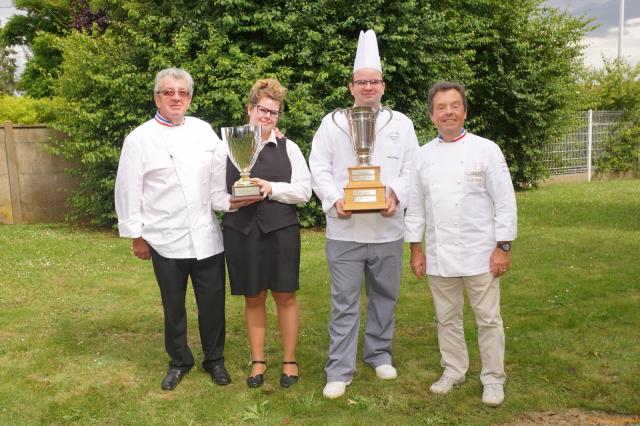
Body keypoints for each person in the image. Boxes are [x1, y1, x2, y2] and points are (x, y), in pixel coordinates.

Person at [309, 30, 419, 399]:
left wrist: (396, 195)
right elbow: (318, 166)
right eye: (361, 82)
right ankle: (339, 369)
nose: (367, 87)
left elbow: (412, 167)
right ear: (351, 86)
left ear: (383, 85)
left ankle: (378, 353)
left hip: (387, 228)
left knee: (385, 296)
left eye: (374, 81)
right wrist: (333, 198)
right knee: (344, 302)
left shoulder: (401, 124)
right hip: (344, 230)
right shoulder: (333, 122)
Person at [114, 67, 231, 390]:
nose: (176, 98)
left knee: (213, 305)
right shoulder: (139, 138)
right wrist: (136, 235)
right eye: (169, 92)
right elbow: (127, 189)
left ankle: (215, 360)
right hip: (164, 238)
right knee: (173, 306)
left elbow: (228, 166)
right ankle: (179, 360)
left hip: (206, 236)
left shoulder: (204, 130)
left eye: (182, 92)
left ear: (190, 98)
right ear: (157, 97)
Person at [404, 81, 517, 407]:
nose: (448, 112)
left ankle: (493, 379)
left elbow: (505, 202)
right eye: (441, 107)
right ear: (431, 115)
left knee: (488, 319)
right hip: (440, 256)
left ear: (465, 111)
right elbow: (416, 205)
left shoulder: (487, 150)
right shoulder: (422, 156)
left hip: (482, 254)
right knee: (447, 318)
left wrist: (503, 247)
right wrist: (416, 248)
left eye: (454, 106)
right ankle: (453, 369)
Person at [211, 78, 311, 389]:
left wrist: (273, 188)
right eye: (262, 110)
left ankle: (290, 360)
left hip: (281, 230)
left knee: (285, 295)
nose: (267, 117)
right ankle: (258, 361)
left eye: (274, 113)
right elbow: (214, 194)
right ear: (250, 109)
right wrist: (233, 201)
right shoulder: (224, 147)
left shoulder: (288, 146)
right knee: (253, 297)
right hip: (241, 231)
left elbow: (304, 192)